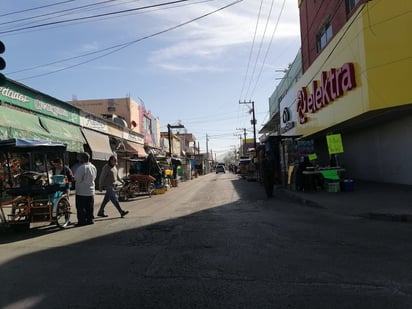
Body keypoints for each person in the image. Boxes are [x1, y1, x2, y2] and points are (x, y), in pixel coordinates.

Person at [73, 152, 97, 226]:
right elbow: (95, 177)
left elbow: (77, 179)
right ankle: (90, 219)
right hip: (90, 190)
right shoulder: (93, 167)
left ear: (82, 159)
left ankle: (82, 221)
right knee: (89, 207)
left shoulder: (81, 168)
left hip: (81, 191)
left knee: (81, 208)